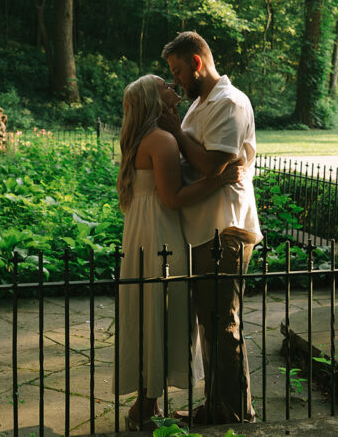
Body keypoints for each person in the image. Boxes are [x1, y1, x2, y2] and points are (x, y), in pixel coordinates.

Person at [115, 74, 245, 431]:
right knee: (159, 312)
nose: (173, 89)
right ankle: (143, 408)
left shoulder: (144, 136)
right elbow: (172, 198)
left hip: (141, 230)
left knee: (148, 312)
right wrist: (218, 180)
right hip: (160, 232)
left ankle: (146, 404)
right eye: (165, 88)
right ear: (155, 102)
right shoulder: (161, 141)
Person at [159, 31, 260, 425]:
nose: (177, 79)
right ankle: (216, 405)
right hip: (203, 228)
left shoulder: (230, 103)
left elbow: (209, 166)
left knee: (223, 322)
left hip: (225, 229)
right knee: (211, 323)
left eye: (179, 70)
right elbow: (190, 162)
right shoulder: (199, 104)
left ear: (197, 63)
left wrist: (176, 131)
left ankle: (235, 413)